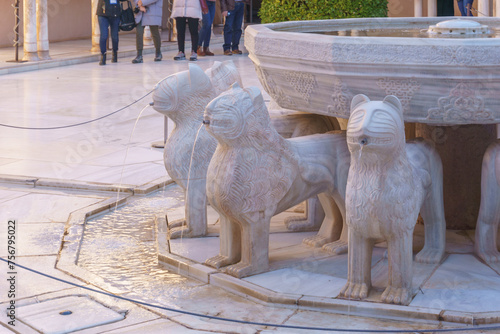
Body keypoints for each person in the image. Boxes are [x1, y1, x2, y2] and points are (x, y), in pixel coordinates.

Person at [96, 0, 126, 65]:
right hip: (103, 13)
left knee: (115, 36)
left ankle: (115, 53)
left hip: (115, 13)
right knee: (104, 36)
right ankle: (103, 56)